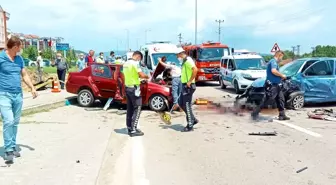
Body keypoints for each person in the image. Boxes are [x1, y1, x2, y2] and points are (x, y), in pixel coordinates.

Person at [0, 36, 37, 163]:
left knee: (15, 122)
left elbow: (24, 74)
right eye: (20, 46)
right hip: (3, 94)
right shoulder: (1, 58)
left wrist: (32, 87)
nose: (21, 48)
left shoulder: (19, 59)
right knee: (8, 121)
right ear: (15, 46)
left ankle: (13, 145)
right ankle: (8, 149)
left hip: (18, 95)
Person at [251, 51, 290, 121]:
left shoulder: (275, 62)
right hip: (272, 85)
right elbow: (273, 71)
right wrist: (282, 75)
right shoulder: (273, 62)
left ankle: (282, 115)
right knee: (267, 100)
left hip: (277, 85)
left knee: (281, 99)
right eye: (281, 57)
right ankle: (255, 113)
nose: (281, 59)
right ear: (279, 56)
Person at [122, 51, 149, 137]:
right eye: (140, 58)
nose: (139, 60)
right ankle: (133, 130)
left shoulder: (125, 63)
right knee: (137, 107)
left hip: (128, 87)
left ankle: (129, 126)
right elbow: (141, 74)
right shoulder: (135, 63)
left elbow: (126, 75)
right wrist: (147, 76)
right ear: (138, 56)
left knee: (130, 108)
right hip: (134, 89)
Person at [177, 48, 199, 132]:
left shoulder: (188, 60)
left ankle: (190, 124)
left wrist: (189, 81)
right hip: (184, 85)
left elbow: (195, 70)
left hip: (188, 86)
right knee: (181, 103)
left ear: (180, 54)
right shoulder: (184, 61)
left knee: (186, 105)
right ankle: (193, 119)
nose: (177, 57)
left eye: (177, 55)